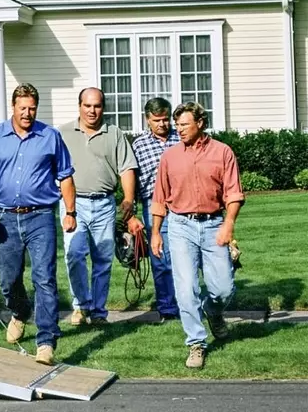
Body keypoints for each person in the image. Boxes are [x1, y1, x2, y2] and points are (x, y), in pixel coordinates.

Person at [0, 83, 77, 366]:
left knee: (44, 278)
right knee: (8, 280)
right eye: (23, 108)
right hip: (5, 217)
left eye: (32, 108)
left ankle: (46, 342)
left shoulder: (50, 137)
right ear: (13, 107)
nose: (27, 113)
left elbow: (65, 175)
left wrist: (70, 211)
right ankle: (19, 312)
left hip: (41, 216)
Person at [151, 102, 244, 369]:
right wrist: (156, 232)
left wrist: (229, 225)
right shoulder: (170, 156)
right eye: (177, 125)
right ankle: (196, 343)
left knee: (223, 288)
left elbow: (234, 194)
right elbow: (160, 197)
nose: (178, 129)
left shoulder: (222, 152)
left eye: (184, 125)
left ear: (200, 123)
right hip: (180, 226)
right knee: (185, 288)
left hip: (214, 223)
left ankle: (213, 312)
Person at [58, 87, 138, 325]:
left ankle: (99, 312)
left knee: (102, 259)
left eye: (97, 106)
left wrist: (128, 199)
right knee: (74, 254)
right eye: (88, 106)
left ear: (103, 107)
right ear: (79, 106)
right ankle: (81, 306)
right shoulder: (62, 133)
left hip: (104, 204)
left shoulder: (115, 134)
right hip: (73, 204)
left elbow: (127, 168)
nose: (92, 111)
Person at [131, 97, 181, 322]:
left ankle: (186, 303)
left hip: (180, 202)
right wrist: (132, 211)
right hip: (153, 203)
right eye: (156, 120)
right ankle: (167, 308)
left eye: (165, 119)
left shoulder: (180, 138)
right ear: (147, 120)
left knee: (182, 256)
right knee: (160, 257)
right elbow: (134, 179)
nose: (162, 124)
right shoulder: (139, 145)